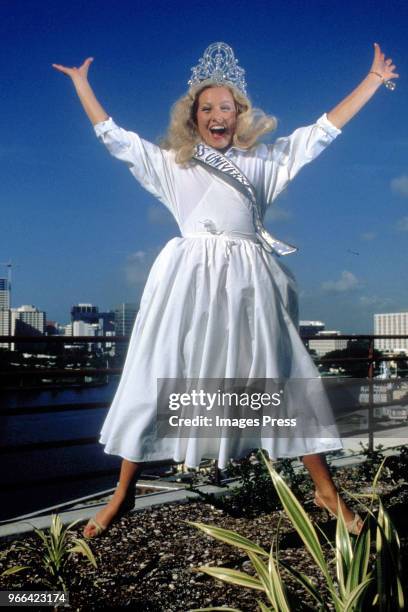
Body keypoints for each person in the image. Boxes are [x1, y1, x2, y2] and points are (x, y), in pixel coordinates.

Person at [53, 42, 398, 539]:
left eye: (227, 107)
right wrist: (83, 85)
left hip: (249, 285)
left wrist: (370, 80)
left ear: (240, 115)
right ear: (193, 118)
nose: (218, 115)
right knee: (158, 375)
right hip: (185, 283)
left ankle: (325, 491)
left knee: (281, 378)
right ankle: (123, 492)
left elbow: (322, 132)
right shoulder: (172, 164)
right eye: (207, 108)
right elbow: (115, 138)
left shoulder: (264, 161)